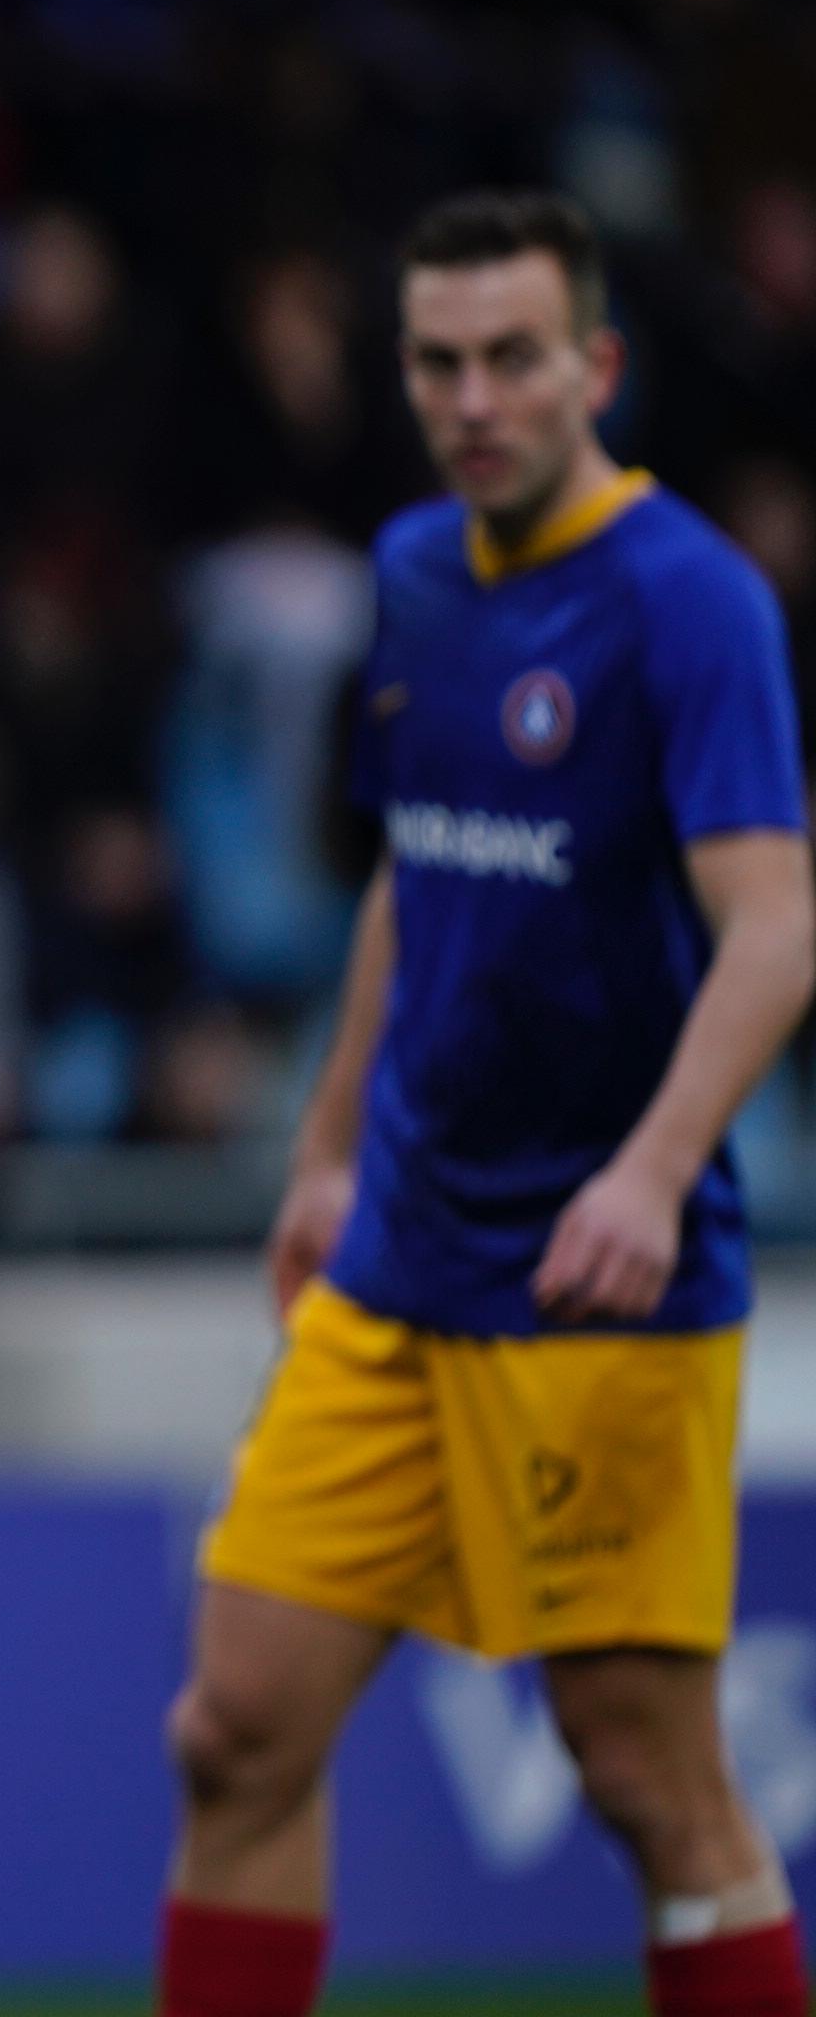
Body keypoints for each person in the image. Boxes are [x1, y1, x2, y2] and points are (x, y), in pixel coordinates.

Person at [158, 192, 816, 2017]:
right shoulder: (417, 574)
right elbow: (411, 880)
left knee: (647, 1779)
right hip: (399, 1265)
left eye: (514, 357)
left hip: (600, 1284)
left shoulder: (692, 602)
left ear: (594, 366)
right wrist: (322, 1152)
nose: (475, 398)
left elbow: (777, 929)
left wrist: (650, 1173)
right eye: (438, 362)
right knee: (235, 1731)